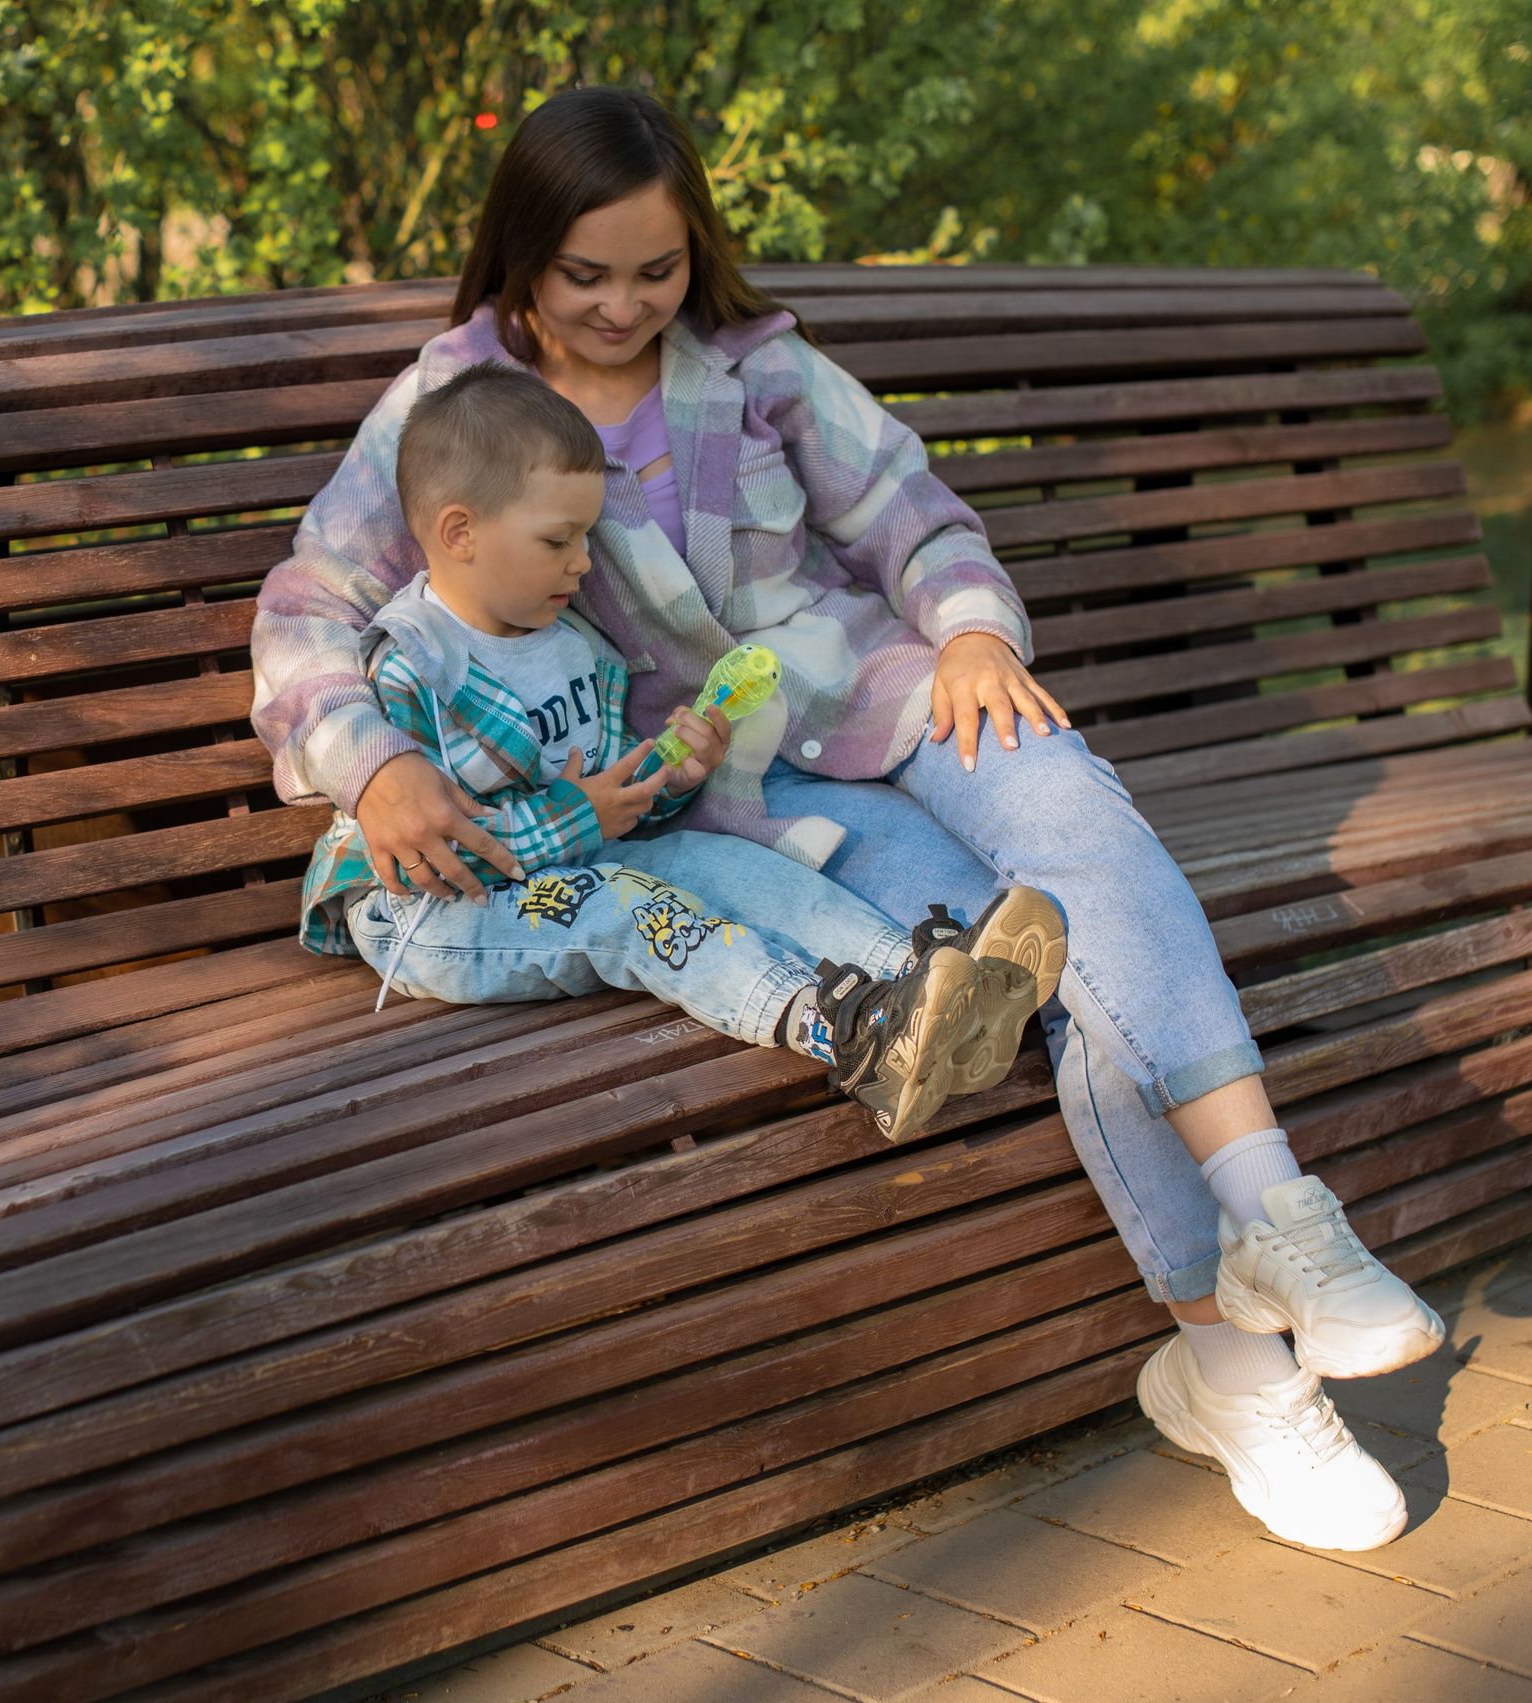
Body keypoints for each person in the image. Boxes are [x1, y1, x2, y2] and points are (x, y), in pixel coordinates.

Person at [250, 86, 1446, 1553]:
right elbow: (313, 597)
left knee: (1073, 806)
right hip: (744, 789)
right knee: (1029, 956)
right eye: (585, 274)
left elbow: (914, 518)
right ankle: (1235, 1368)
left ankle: (1284, 1213)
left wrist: (969, 629)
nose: (625, 305)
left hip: (882, 688)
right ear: (518, 257)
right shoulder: (454, 404)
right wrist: (367, 761)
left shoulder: (759, 370)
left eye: (659, 267)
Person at [298, 359, 1068, 1144]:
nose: (584, 563)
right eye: (558, 540)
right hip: (434, 917)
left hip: (571, 863)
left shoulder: (573, 645)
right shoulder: (414, 663)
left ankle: (929, 978)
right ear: (459, 532)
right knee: (636, 911)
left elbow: (613, 798)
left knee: (718, 859)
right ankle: (850, 1037)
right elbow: (440, 857)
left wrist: (670, 775)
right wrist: (581, 814)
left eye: (586, 538)